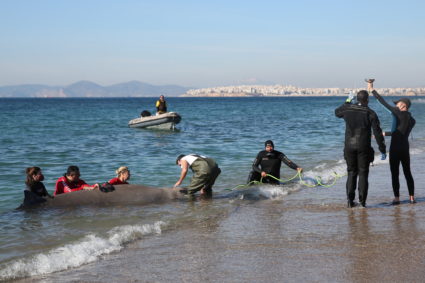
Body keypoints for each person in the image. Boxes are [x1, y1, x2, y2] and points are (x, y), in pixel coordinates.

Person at [335, 90, 386, 207]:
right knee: (363, 173)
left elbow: (337, 112)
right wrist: (382, 149)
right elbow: (377, 133)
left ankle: (350, 201)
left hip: (349, 146)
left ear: (357, 99)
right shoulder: (370, 112)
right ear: (367, 100)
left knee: (351, 172)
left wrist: (347, 101)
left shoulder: (347, 109)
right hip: (364, 147)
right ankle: (362, 202)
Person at [368, 81, 416, 204]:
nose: (396, 106)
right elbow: (401, 131)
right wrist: (385, 133)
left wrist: (372, 89)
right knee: (407, 173)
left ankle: (397, 198)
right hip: (405, 148)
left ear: (403, 105)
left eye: (398, 104)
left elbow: (382, 102)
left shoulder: (396, 112)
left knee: (395, 174)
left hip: (395, 148)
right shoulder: (412, 120)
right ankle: (411, 197)